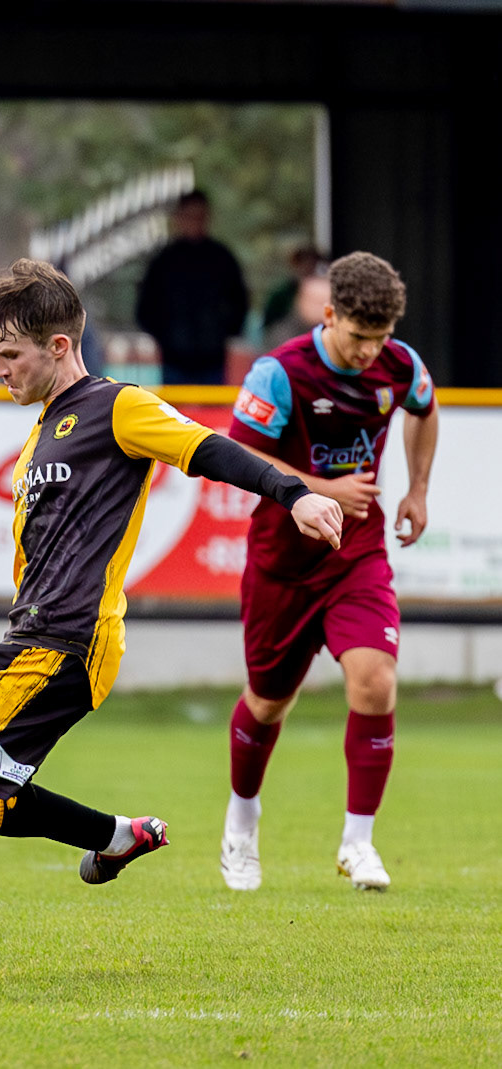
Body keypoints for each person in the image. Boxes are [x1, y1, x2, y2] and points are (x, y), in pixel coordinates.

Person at [0, 259, 342, 987]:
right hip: (53, 641)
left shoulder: (117, 405)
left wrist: (294, 493)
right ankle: (115, 837)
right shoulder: (45, 429)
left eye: (10, 355)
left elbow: (205, 447)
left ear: (58, 347)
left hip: (60, 641)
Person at [219, 251, 437, 894]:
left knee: (375, 679)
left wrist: (417, 490)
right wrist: (322, 489)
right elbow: (237, 450)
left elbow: (425, 409)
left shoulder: (400, 363)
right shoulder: (280, 372)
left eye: (382, 338)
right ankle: (241, 824)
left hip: (357, 558)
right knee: (267, 702)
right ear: (330, 313)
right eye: (359, 337)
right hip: (283, 564)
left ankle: (358, 843)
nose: (372, 352)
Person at [135, 190, 249, 385]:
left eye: (199, 216)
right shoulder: (164, 262)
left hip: (213, 360)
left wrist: (225, 332)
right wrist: (163, 337)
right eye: (189, 216)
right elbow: (146, 306)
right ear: (178, 218)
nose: (194, 222)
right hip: (173, 359)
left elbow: (239, 302)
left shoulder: (222, 259)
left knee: (213, 412)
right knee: (173, 413)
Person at [261, 245, 326, 334]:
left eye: (312, 264)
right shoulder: (282, 294)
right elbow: (269, 324)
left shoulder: (323, 291)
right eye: (304, 265)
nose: (308, 268)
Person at [262, 272, 330, 352]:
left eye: (326, 303)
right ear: (298, 302)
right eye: (315, 302)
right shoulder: (282, 336)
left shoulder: (337, 336)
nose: (320, 309)